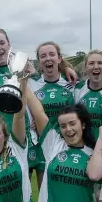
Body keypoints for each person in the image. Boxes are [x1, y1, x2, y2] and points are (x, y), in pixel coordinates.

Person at [0, 26, 78, 134]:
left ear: (9, 45)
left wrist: (65, 69)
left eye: (2, 43)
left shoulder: (24, 67)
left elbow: (44, 80)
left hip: (24, 132)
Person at [27, 41, 75, 189]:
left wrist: (68, 68)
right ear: (39, 62)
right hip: (39, 144)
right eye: (43, 56)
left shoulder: (71, 83)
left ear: (59, 59)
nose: (48, 58)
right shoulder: (30, 83)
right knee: (43, 193)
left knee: (62, 191)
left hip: (64, 144)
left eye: (52, 54)